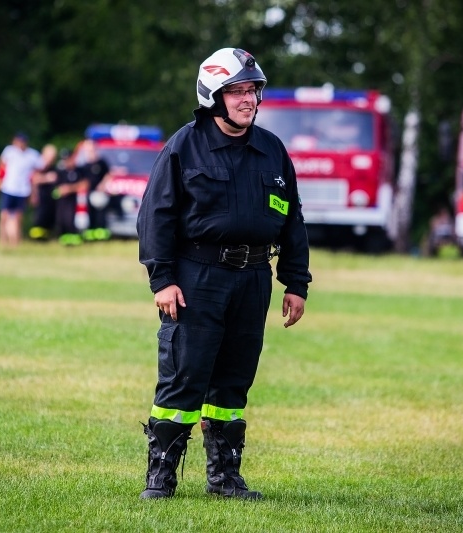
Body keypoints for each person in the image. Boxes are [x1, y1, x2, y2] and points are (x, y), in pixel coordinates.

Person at [136, 47, 311, 500]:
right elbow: (155, 216)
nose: (248, 99)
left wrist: (296, 282)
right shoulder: (184, 145)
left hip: (253, 279)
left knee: (234, 380)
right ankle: (161, 476)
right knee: (184, 375)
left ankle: (225, 478)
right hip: (196, 279)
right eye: (237, 91)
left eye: (252, 90)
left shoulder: (272, 150)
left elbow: (292, 220)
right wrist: (162, 279)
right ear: (213, 95)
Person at [0, 132, 42, 248]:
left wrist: (34, 192)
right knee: (4, 216)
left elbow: (36, 173)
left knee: (17, 218)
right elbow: (2, 166)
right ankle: (3, 242)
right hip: (8, 188)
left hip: (22, 190)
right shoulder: (9, 151)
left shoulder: (33, 155)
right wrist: (0, 180)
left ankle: (15, 242)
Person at [53, 149, 89, 246]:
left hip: (76, 202)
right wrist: (60, 190)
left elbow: (85, 184)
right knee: (62, 221)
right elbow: (56, 188)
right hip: (63, 202)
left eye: (68, 159)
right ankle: (64, 242)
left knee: (73, 221)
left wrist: (70, 189)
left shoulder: (80, 171)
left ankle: (75, 240)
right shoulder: (60, 172)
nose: (66, 162)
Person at [77, 140, 111, 242]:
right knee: (90, 214)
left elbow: (108, 174)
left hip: (100, 193)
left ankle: (101, 235)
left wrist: (102, 185)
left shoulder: (101, 162)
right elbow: (82, 180)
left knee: (100, 214)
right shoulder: (84, 166)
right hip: (89, 193)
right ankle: (91, 235)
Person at [29, 144, 59, 241]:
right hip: (40, 197)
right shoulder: (39, 166)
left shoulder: (54, 167)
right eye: (49, 156)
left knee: (49, 219)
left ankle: (46, 238)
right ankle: (36, 240)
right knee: (39, 219)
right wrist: (47, 178)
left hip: (50, 198)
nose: (51, 158)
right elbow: (33, 179)